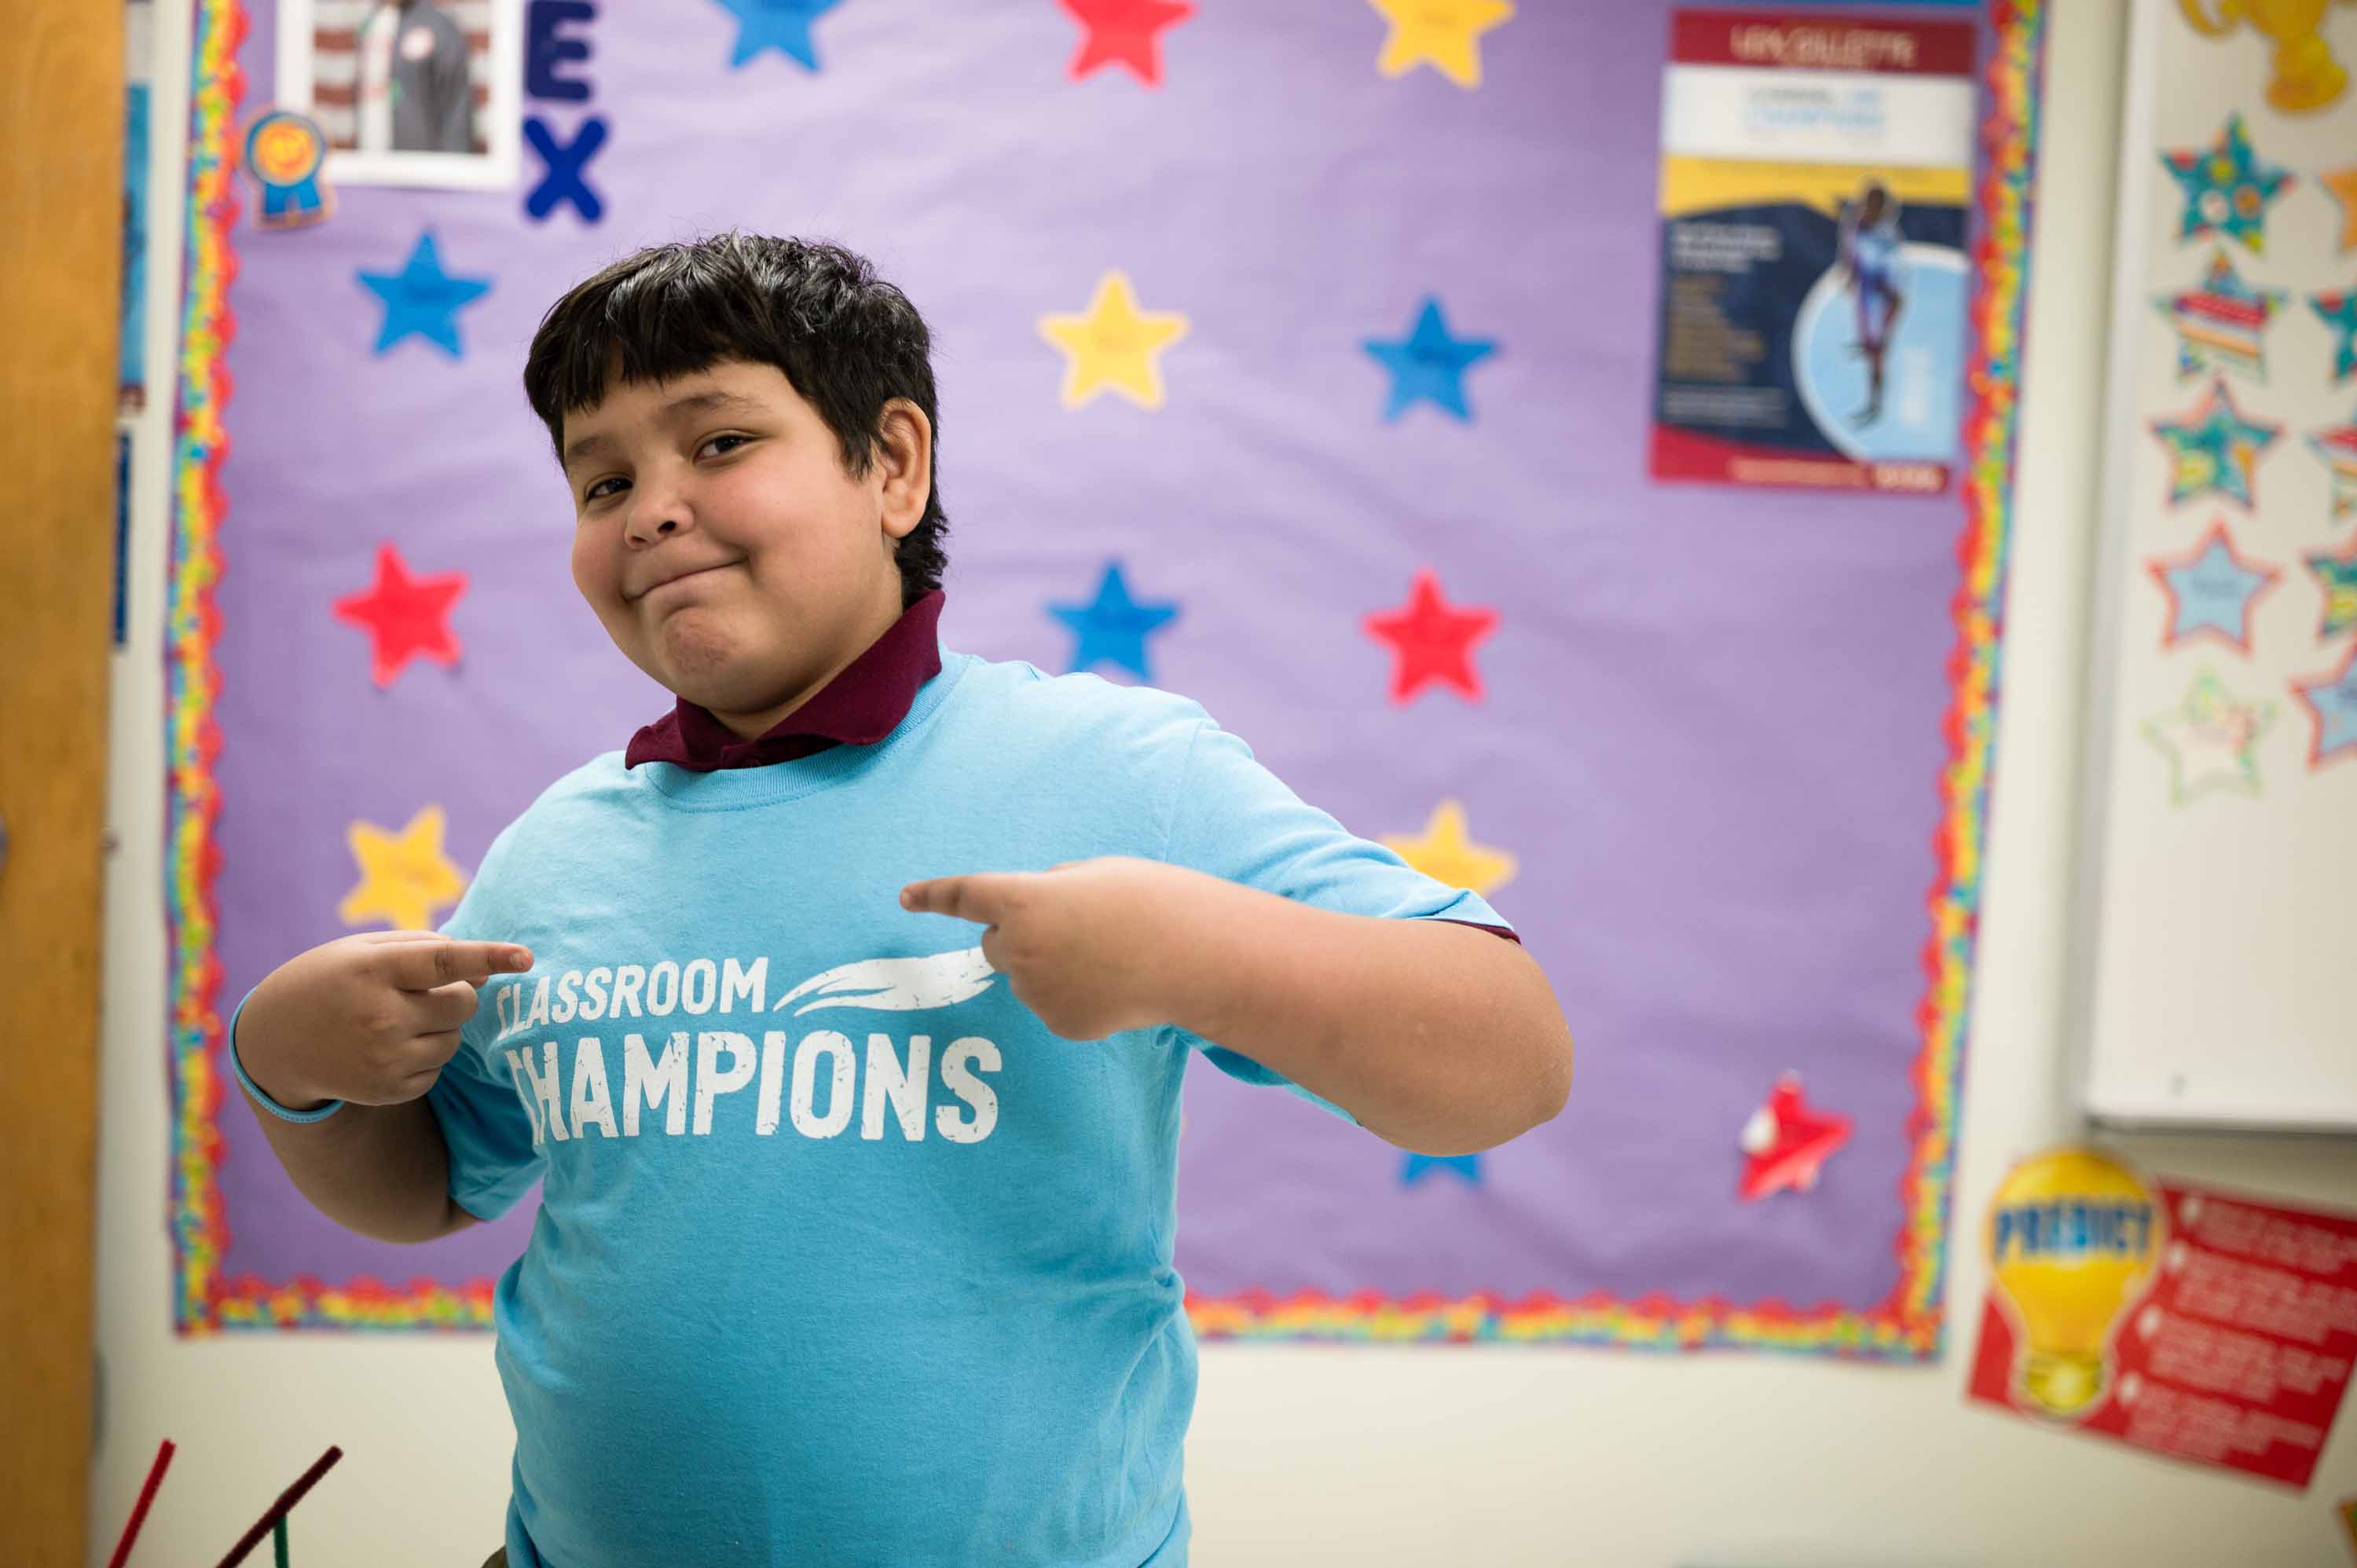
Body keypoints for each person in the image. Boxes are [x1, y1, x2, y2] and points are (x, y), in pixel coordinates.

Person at [227, 234, 1576, 1568]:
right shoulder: (557, 850)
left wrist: (1194, 954)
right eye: (602, 478)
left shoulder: (1111, 769)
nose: (648, 507)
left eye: (718, 444)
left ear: (892, 465)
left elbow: (1510, 1055)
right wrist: (288, 1065)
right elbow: (437, 1187)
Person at [350, 0, 474, 155]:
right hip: (368, 162)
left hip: (421, 165)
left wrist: (455, 167)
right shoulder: (369, 22)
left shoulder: (439, 26)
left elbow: (457, 109)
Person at [1837, 181, 1905, 427]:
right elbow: (1853, 254)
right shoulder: (1856, 227)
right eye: (1868, 202)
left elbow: (1895, 271)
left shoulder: (1887, 234)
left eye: (1877, 204)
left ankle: (1874, 405)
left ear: (1884, 207)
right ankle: (1867, 346)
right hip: (1865, 292)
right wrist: (1851, 276)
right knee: (1870, 341)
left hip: (1884, 293)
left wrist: (1892, 296)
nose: (1871, 208)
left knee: (1879, 353)